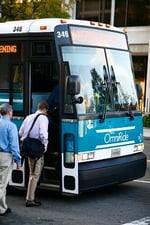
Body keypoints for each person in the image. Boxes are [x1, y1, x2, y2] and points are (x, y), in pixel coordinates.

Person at [19, 101, 49, 207]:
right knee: (34, 174)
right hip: (37, 149)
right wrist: (45, 145)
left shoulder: (29, 117)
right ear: (45, 110)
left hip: (28, 148)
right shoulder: (43, 118)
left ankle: (31, 196)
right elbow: (43, 134)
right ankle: (30, 199)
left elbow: (21, 132)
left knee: (33, 172)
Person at [0, 103, 21, 216]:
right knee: (2, 184)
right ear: (9, 113)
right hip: (5, 157)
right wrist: (18, 160)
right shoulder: (11, 126)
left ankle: (2, 208)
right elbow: (14, 146)